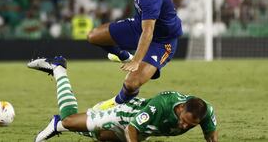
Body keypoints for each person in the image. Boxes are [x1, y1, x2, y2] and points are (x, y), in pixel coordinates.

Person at [27, 56, 218, 142]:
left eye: (191, 125)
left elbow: (211, 137)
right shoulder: (162, 105)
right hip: (125, 115)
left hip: (143, 130)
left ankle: (57, 125)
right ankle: (59, 69)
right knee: (70, 121)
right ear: (181, 108)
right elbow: (132, 128)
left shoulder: (205, 112)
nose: (185, 126)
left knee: (101, 136)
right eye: (184, 121)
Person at [87, 0, 183, 109]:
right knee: (94, 36)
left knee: (131, 83)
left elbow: (149, 32)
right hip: (139, 25)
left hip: (162, 41)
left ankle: (115, 103)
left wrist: (137, 61)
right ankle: (125, 56)